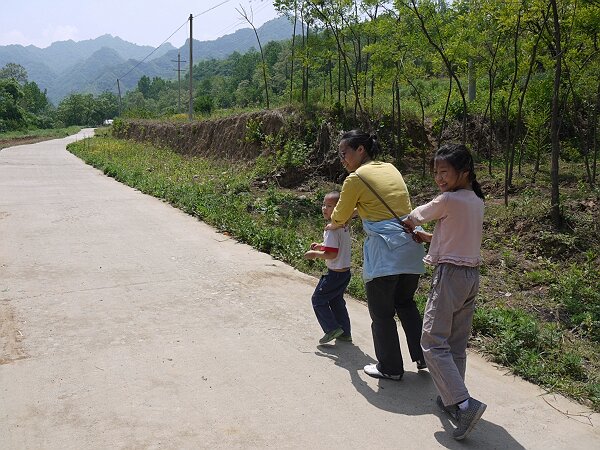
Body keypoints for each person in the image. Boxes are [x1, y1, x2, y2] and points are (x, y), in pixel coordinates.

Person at [402, 143, 486, 440]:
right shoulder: (475, 199)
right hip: (470, 277)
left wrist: (409, 223)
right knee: (455, 343)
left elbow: (416, 215)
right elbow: (452, 234)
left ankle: (464, 404)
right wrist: (427, 237)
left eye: (444, 172)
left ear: (464, 171)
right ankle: (452, 398)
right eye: (436, 172)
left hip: (450, 277)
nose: (439, 178)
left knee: (432, 342)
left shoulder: (448, 199)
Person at [328, 129, 427, 380]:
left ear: (361, 150)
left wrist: (335, 222)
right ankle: (424, 357)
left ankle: (391, 368)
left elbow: (339, 215)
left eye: (344, 153)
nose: (342, 159)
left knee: (381, 313)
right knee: (405, 303)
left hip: (386, 253)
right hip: (410, 248)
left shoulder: (356, 178)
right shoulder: (391, 168)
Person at [304, 191, 353, 344]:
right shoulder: (343, 225)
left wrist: (315, 254)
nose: (324, 208)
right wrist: (321, 246)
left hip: (334, 275)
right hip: (345, 273)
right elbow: (334, 248)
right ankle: (345, 333)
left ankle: (331, 329)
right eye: (324, 205)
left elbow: (332, 254)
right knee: (336, 301)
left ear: (339, 209)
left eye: (330, 206)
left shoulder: (331, 229)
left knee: (318, 299)